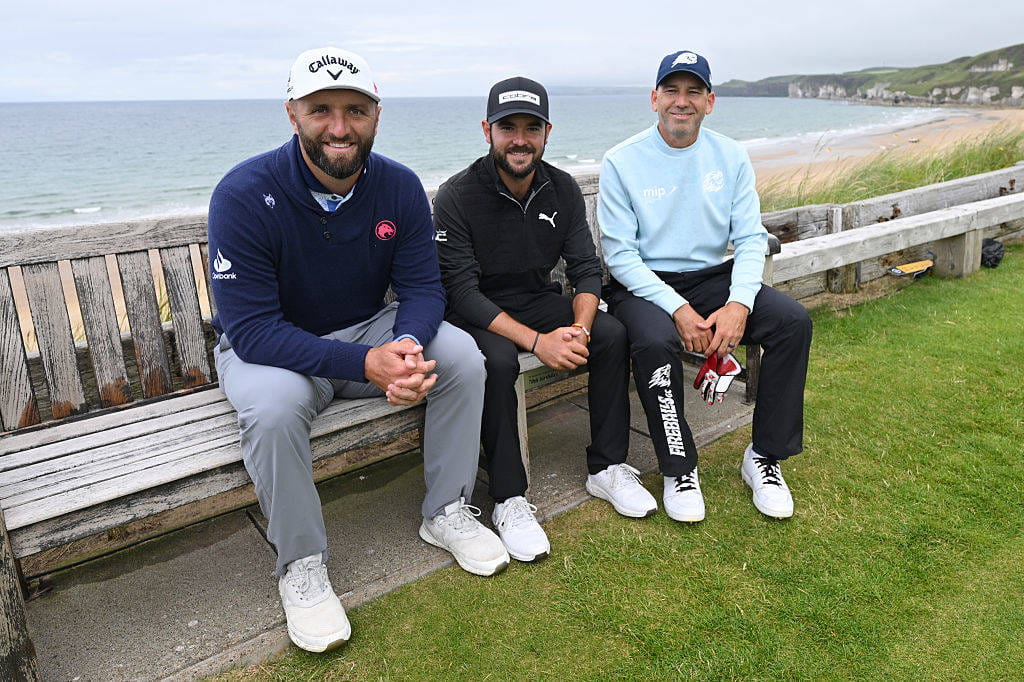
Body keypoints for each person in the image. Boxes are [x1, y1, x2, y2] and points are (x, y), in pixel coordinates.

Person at [207, 47, 508, 653]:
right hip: (274, 350)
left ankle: (445, 510)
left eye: (355, 110)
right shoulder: (243, 192)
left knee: (460, 357)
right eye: (321, 109)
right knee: (271, 409)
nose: (339, 127)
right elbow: (253, 329)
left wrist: (402, 345)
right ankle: (302, 564)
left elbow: (423, 288)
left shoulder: (397, 185)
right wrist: (365, 365)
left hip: (373, 329)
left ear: (376, 114)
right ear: (292, 114)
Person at [434, 77, 651, 560]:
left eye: (531, 128)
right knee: (497, 362)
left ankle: (607, 467)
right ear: (487, 130)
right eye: (507, 127)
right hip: (477, 312)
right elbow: (462, 293)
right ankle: (509, 498)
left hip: (535, 298)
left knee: (612, 335)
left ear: (547, 133)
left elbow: (587, 270)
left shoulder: (562, 187)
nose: (519, 139)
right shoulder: (458, 196)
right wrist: (538, 342)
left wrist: (579, 330)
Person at [598, 50, 812, 523]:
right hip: (643, 286)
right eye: (671, 91)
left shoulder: (730, 155)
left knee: (792, 322)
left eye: (693, 91)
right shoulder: (622, 161)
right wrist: (677, 309)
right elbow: (621, 257)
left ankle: (764, 458)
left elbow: (752, 238)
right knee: (654, 342)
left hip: (715, 279)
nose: (682, 101)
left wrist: (739, 302)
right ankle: (680, 469)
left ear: (710, 101)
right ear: (654, 98)